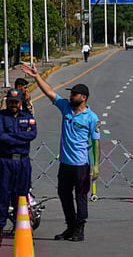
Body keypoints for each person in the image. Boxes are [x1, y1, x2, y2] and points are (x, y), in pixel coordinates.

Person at [21, 63, 100, 242]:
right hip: (65, 163)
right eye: (70, 94)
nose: (70, 96)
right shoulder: (65, 107)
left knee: (80, 197)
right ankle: (70, 227)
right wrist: (36, 76)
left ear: (83, 97)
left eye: (74, 94)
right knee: (64, 195)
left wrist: (95, 166)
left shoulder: (91, 118)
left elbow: (96, 143)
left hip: (81, 165)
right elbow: (50, 92)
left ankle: (80, 229)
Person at [0, 89, 37, 246]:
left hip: (22, 162)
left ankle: (23, 231)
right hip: (5, 162)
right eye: (10, 101)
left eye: (16, 102)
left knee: (22, 197)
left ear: (21, 102)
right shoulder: (1, 117)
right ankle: (0, 230)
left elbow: (32, 134)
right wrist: (20, 139)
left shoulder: (27, 117)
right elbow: (1, 136)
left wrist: (12, 138)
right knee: (2, 197)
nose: (13, 104)